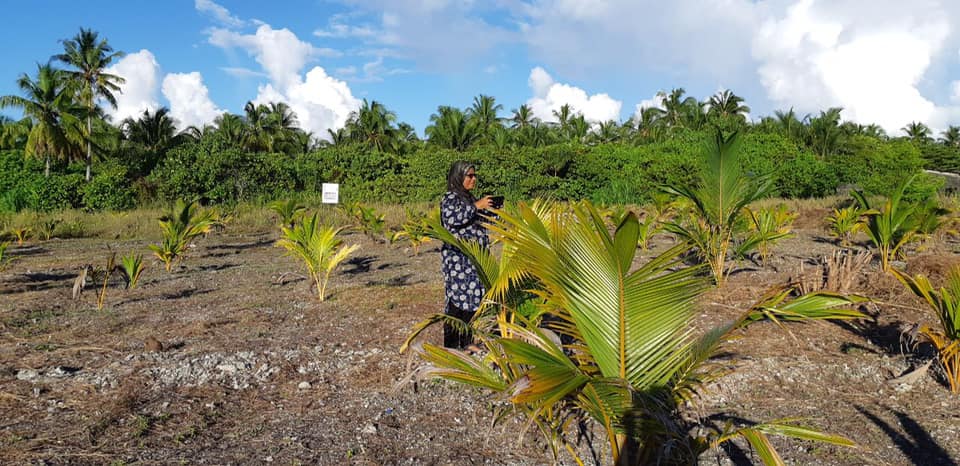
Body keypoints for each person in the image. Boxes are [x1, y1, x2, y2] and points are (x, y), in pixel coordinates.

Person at [440, 161, 495, 349]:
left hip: (474, 261)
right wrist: (476, 206)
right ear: (458, 177)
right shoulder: (450, 198)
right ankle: (453, 346)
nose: (474, 179)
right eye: (469, 176)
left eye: (474, 175)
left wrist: (492, 212)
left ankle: (468, 342)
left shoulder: (470, 198)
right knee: (457, 302)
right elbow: (452, 219)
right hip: (458, 262)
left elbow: (479, 220)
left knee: (473, 301)